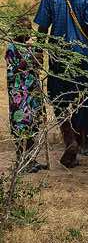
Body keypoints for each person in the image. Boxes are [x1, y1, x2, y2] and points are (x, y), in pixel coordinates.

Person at [34, 0, 88, 168]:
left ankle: (69, 140)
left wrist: (39, 51)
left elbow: (43, 27)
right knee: (82, 99)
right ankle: (79, 141)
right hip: (82, 56)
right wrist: (84, 41)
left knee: (60, 98)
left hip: (58, 55)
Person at [6, 17, 48, 173]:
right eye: (22, 29)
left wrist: (38, 59)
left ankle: (31, 159)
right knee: (19, 125)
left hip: (33, 91)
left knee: (34, 125)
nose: (26, 32)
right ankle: (20, 159)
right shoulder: (12, 47)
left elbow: (37, 69)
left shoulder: (31, 46)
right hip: (18, 94)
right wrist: (26, 61)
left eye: (29, 29)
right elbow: (11, 73)